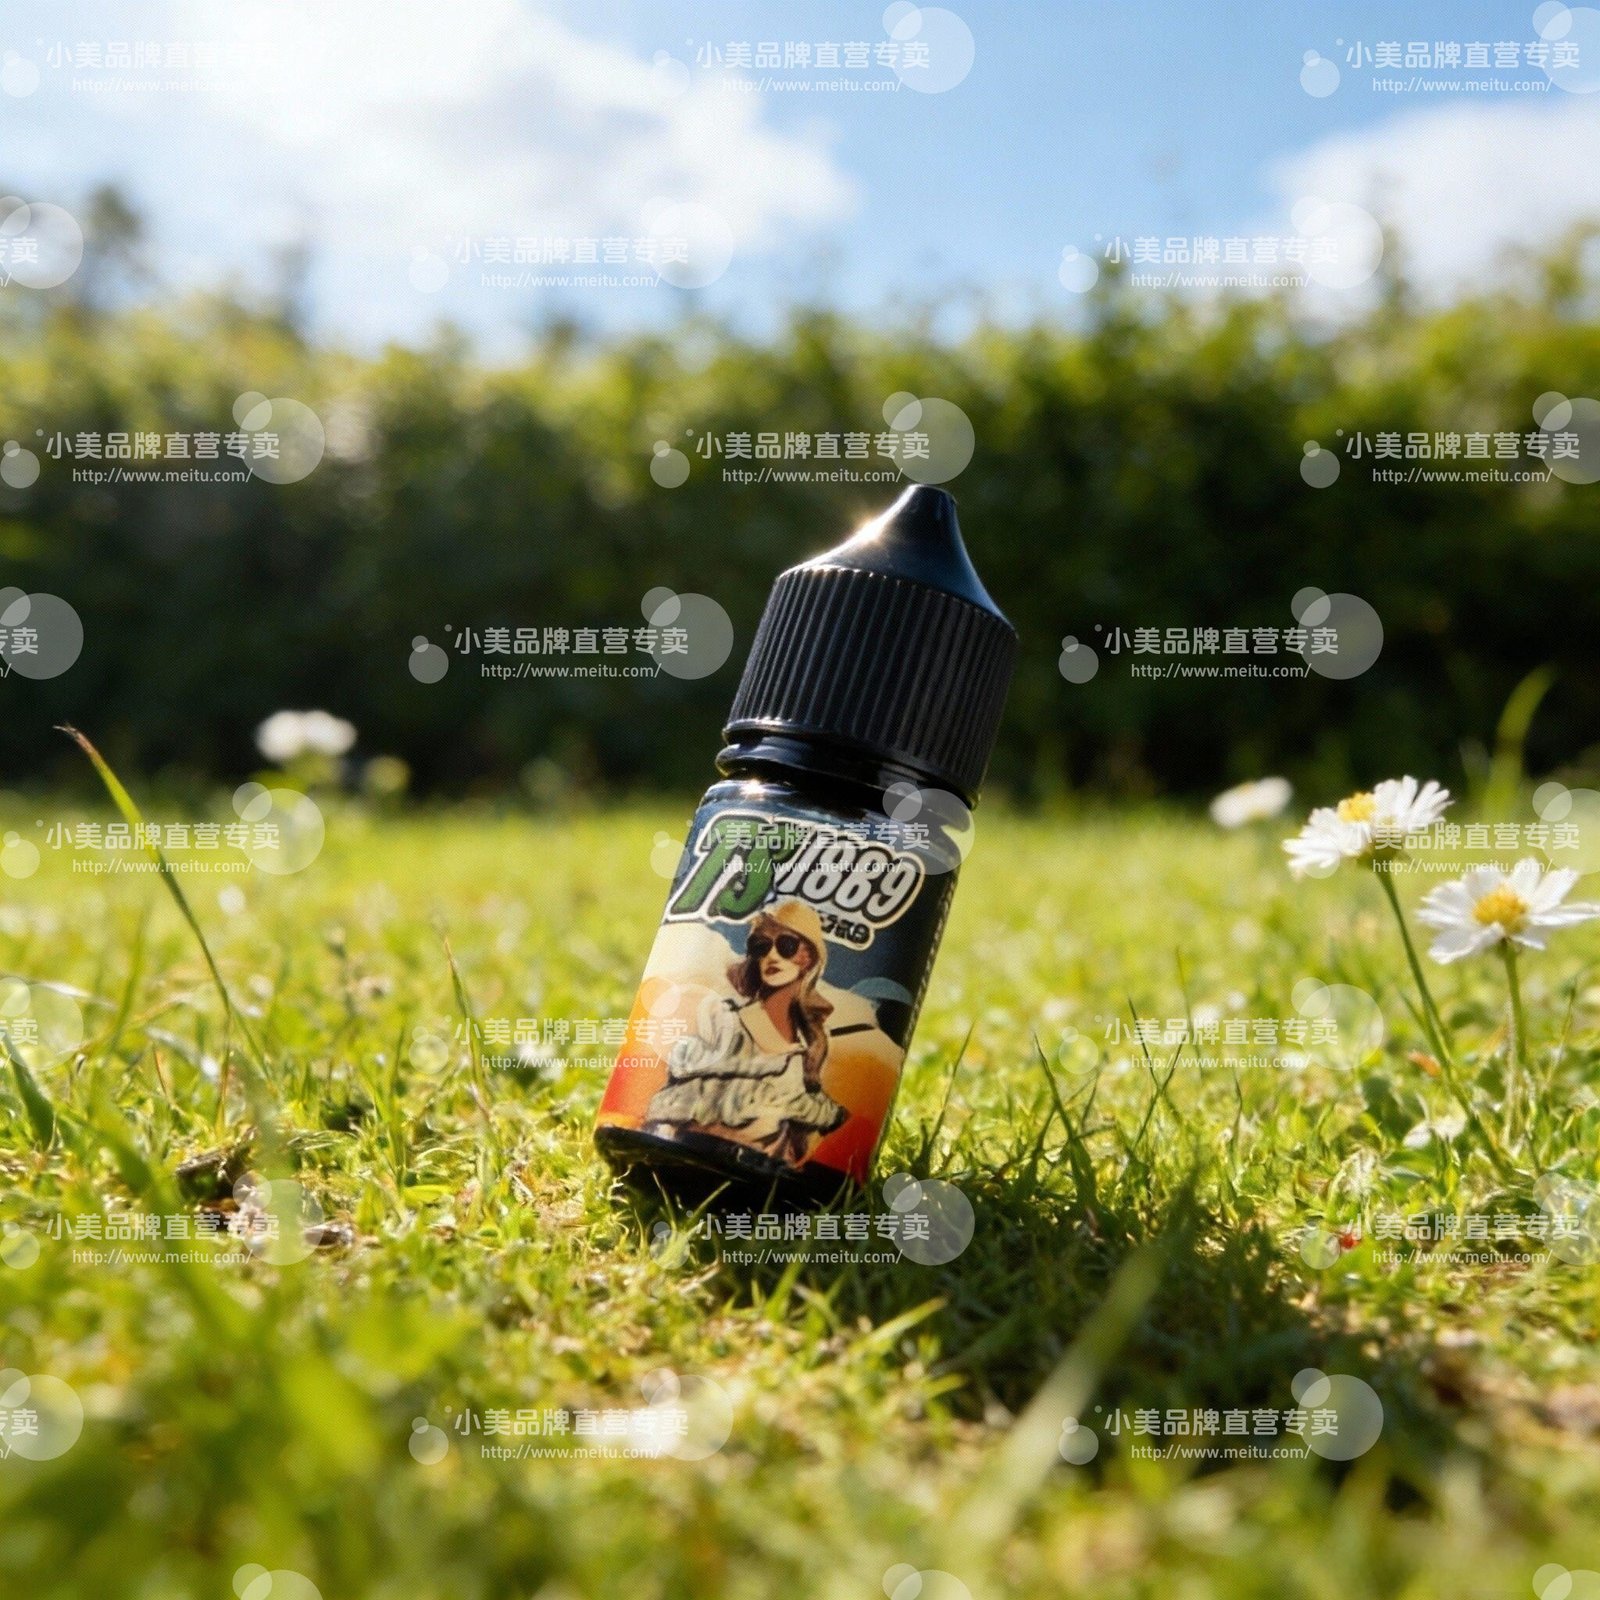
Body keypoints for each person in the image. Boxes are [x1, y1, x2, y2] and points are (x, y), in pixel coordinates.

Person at [644, 900, 849, 1166]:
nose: (771, 956)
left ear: (809, 958)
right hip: (693, 1153)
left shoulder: (811, 1041)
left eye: (786, 945)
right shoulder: (727, 1023)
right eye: (761, 946)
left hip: (763, 1168)